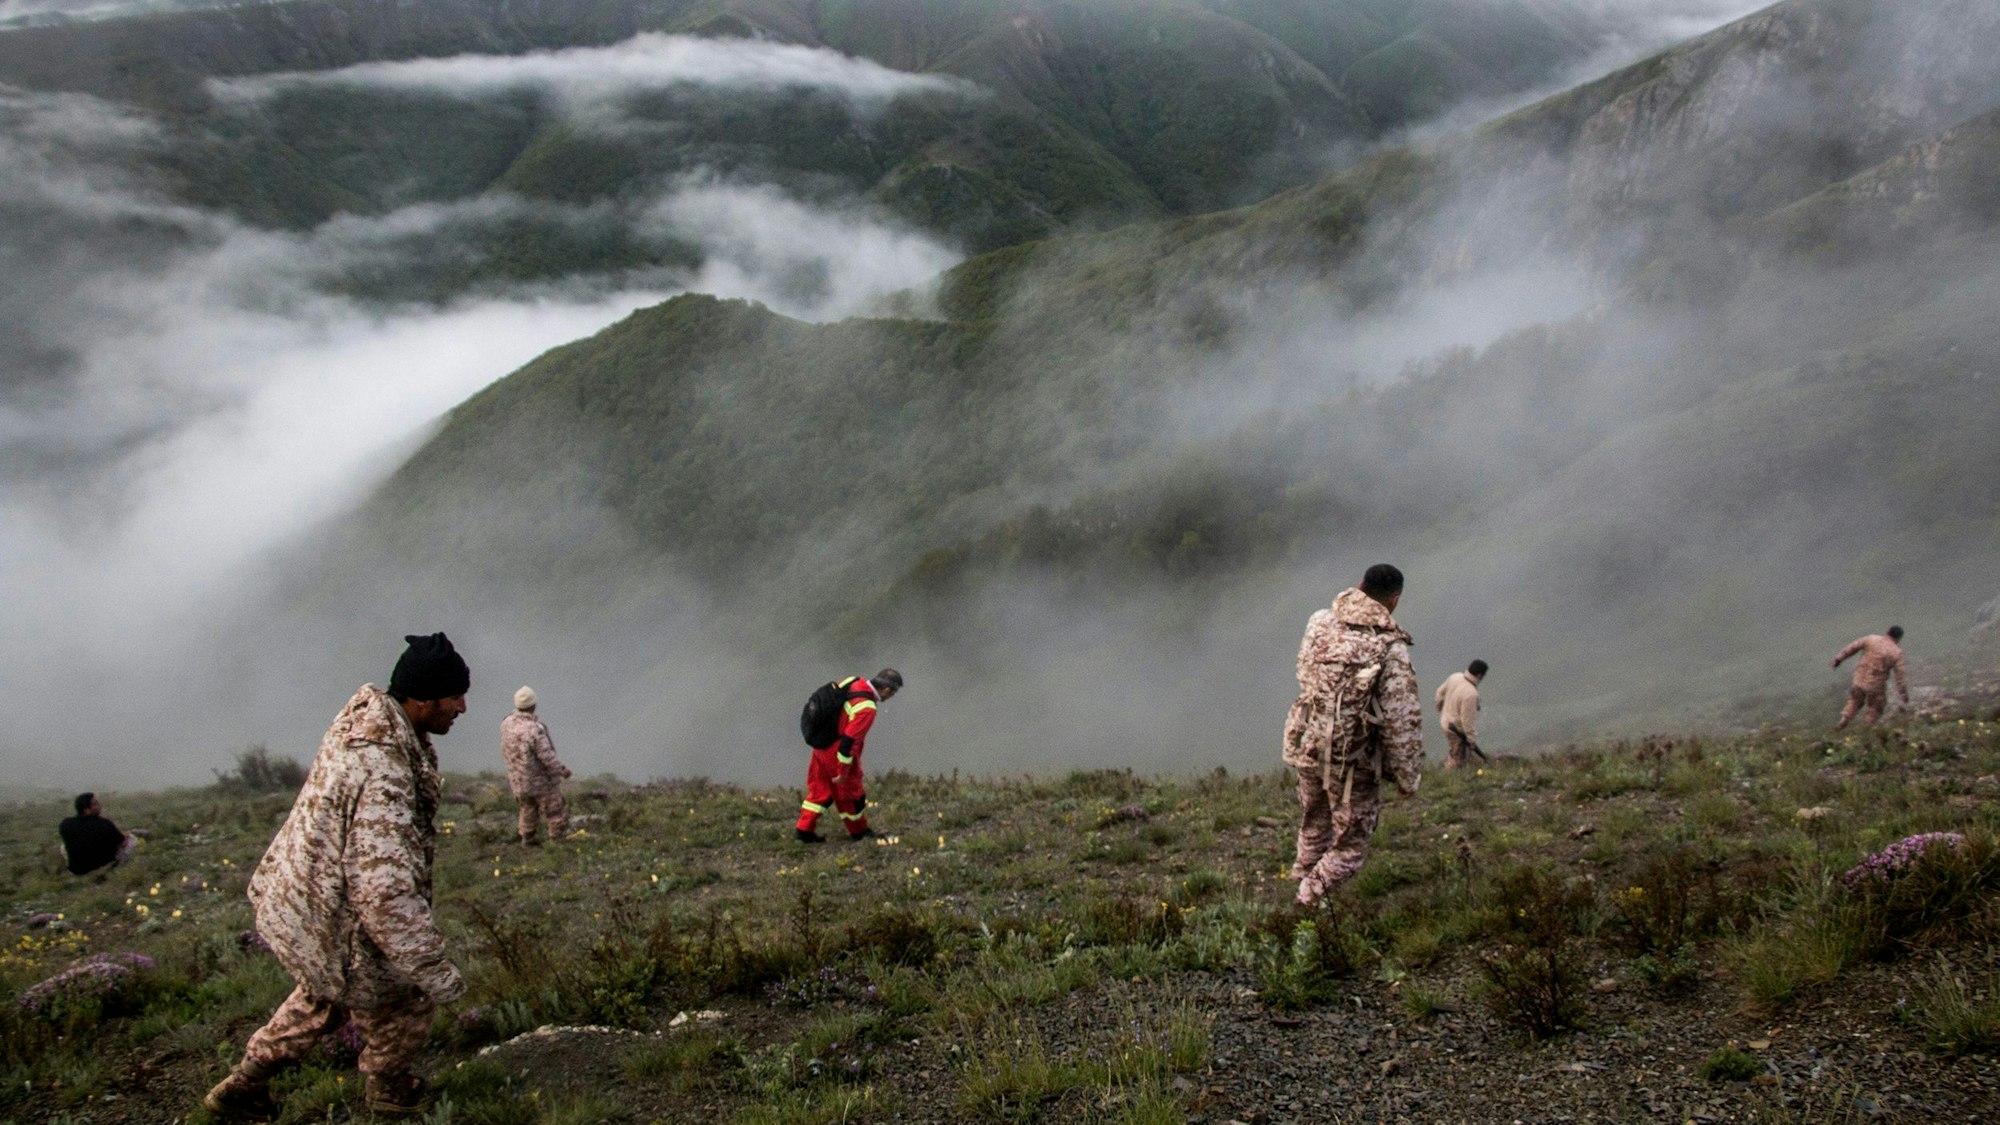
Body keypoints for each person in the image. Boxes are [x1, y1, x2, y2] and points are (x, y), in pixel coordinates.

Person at [204, 633, 471, 1119]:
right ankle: (389, 1091)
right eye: (454, 696)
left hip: (308, 904)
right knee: (404, 994)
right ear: (423, 699)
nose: (463, 706)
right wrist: (434, 971)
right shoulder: (383, 770)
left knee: (322, 995)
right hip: (337, 915)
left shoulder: (363, 724)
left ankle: (245, 1084)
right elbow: (384, 891)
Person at [1281, 565, 1423, 907]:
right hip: (1352, 759)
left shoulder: (1319, 621)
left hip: (1306, 743)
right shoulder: (1389, 645)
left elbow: (1304, 672)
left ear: (1359, 586)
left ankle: (1301, 878)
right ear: (1394, 599)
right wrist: (1407, 776)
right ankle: (1306, 904)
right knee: (1351, 844)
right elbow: (1401, 718)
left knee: (1314, 822)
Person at [796, 669, 903, 843]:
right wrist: (843, 770)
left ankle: (803, 831)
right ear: (887, 690)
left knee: (819, 789)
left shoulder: (853, 681)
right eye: (893, 693)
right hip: (836, 751)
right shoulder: (867, 708)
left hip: (822, 744)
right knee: (850, 794)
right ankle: (859, 832)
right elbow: (850, 741)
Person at [501, 686, 572, 845]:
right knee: (554, 809)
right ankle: (557, 839)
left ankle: (527, 838)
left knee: (527, 808)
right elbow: (546, 755)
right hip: (539, 779)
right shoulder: (534, 729)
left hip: (518, 779)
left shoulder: (506, 724)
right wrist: (561, 770)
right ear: (533, 705)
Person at [1833, 625, 1909, 728]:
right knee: (1875, 708)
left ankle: (1844, 720)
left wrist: (1838, 659)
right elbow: (1900, 677)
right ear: (1899, 638)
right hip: (1875, 685)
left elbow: (1852, 648)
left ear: (1887, 631)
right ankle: (1866, 730)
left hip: (1858, 680)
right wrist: (1903, 696)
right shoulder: (1896, 652)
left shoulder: (1871, 639)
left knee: (1854, 701)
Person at [58, 793, 137, 876]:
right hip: (102, 866)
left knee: (64, 846)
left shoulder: (65, 824)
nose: (99, 806)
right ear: (86, 809)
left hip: (77, 870)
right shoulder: (104, 824)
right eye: (95, 804)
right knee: (131, 839)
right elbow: (122, 842)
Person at [1434, 660, 1488, 770]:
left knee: (1461, 754)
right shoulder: (1471, 694)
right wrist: (1472, 739)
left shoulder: (1455, 677)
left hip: (1445, 721)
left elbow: (1439, 692)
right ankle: (1446, 779)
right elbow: (1467, 722)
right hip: (1455, 730)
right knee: (1457, 760)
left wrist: (1440, 704)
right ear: (1479, 675)